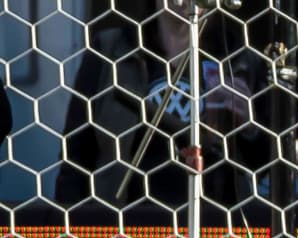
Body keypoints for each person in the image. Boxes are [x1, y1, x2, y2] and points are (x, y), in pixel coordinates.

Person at [55, 1, 268, 216]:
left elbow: (265, 166)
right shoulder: (112, 50)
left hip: (215, 225)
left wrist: (250, 128)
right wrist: (71, 230)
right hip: (127, 224)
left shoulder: (238, 59)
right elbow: (76, 156)